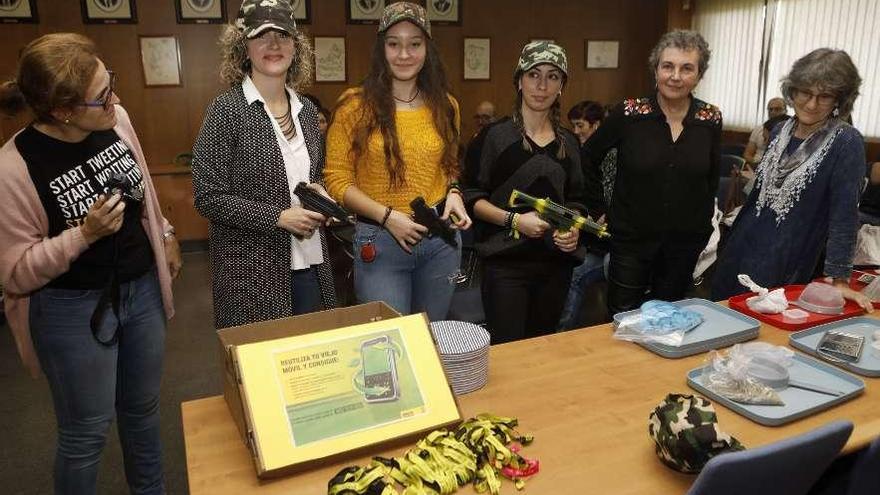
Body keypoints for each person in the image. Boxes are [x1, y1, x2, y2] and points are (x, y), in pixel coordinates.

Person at [0, 33, 180, 494]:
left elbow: (145, 192)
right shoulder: (13, 168)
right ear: (62, 111)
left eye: (111, 83)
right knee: (86, 432)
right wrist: (84, 235)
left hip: (140, 293)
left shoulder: (116, 120)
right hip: (71, 309)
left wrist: (165, 233)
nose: (116, 100)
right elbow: (16, 272)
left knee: (142, 411)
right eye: (102, 96)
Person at [193, 0, 337, 329]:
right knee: (262, 374)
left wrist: (320, 195)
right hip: (252, 274)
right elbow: (208, 196)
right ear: (243, 48)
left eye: (283, 36)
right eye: (261, 36)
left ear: (296, 47)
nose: (273, 45)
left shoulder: (306, 113)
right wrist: (278, 217)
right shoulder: (226, 111)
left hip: (310, 262)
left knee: (308, 368)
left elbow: (307, 180)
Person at [324, 2, 470, 321]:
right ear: (382, 49)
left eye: (414, 44)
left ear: (427, 49)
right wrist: (388, 217)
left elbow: (449, 166)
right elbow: (336, 181)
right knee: (390, 346)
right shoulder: (353, 107)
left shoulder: (447, 106)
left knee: (432, 339)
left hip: (439, 241)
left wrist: (455, 192)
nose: (404, 54)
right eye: (394, 44)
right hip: (381, 240)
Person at [712, 48, 873, 312]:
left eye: (824, 96)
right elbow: (757, 197)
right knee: (722, 319)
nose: (811, 104)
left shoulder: (846, 141)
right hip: (742, 248)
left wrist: (840, 279)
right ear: (792, 91)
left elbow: (844, 216)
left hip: (788, 258)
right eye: (805, 92)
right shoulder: (779, 130)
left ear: (839, 101)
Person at [583, 30, 722, 316]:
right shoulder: (629, 113)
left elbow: (711, 177)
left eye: (687, 68)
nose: (676, 76)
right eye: (668, 66)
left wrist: (703, 225)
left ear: (699, 75)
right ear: (655, 69)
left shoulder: (710, 118)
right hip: (631, 241)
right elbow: (588, 157)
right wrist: (599, 207)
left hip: (684, 243)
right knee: (624, 319)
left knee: (670, 320)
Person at [464, 41, 584, 343]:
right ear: (519, 80)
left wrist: (573, 230)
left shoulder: (569, 143)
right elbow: (471, 196)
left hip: (556, 264)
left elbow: (578, 200)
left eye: (553, 76)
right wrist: (514, 221)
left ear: (562, 86)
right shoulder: (493, 137)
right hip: (505, 264)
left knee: (543, 352)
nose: (542, 85)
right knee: (509, 354)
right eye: (534, 75)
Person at [557, 100, 616, 330]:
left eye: (580, 125)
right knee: (571, 273)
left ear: (596, 125)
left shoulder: (612, 154)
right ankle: (561, 337)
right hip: (595, 241)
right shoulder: (577, 153)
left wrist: (606, 215)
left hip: (617, 244)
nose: (576, 131)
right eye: (573, 125)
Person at [743, 97, 787, 165]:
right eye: (770, 109)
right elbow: (747, 154)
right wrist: (756, 165)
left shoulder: (791, 130)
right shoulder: (759, 129)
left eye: (777, 109)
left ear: (785, 111)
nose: (773, 112)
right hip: (756, 164)